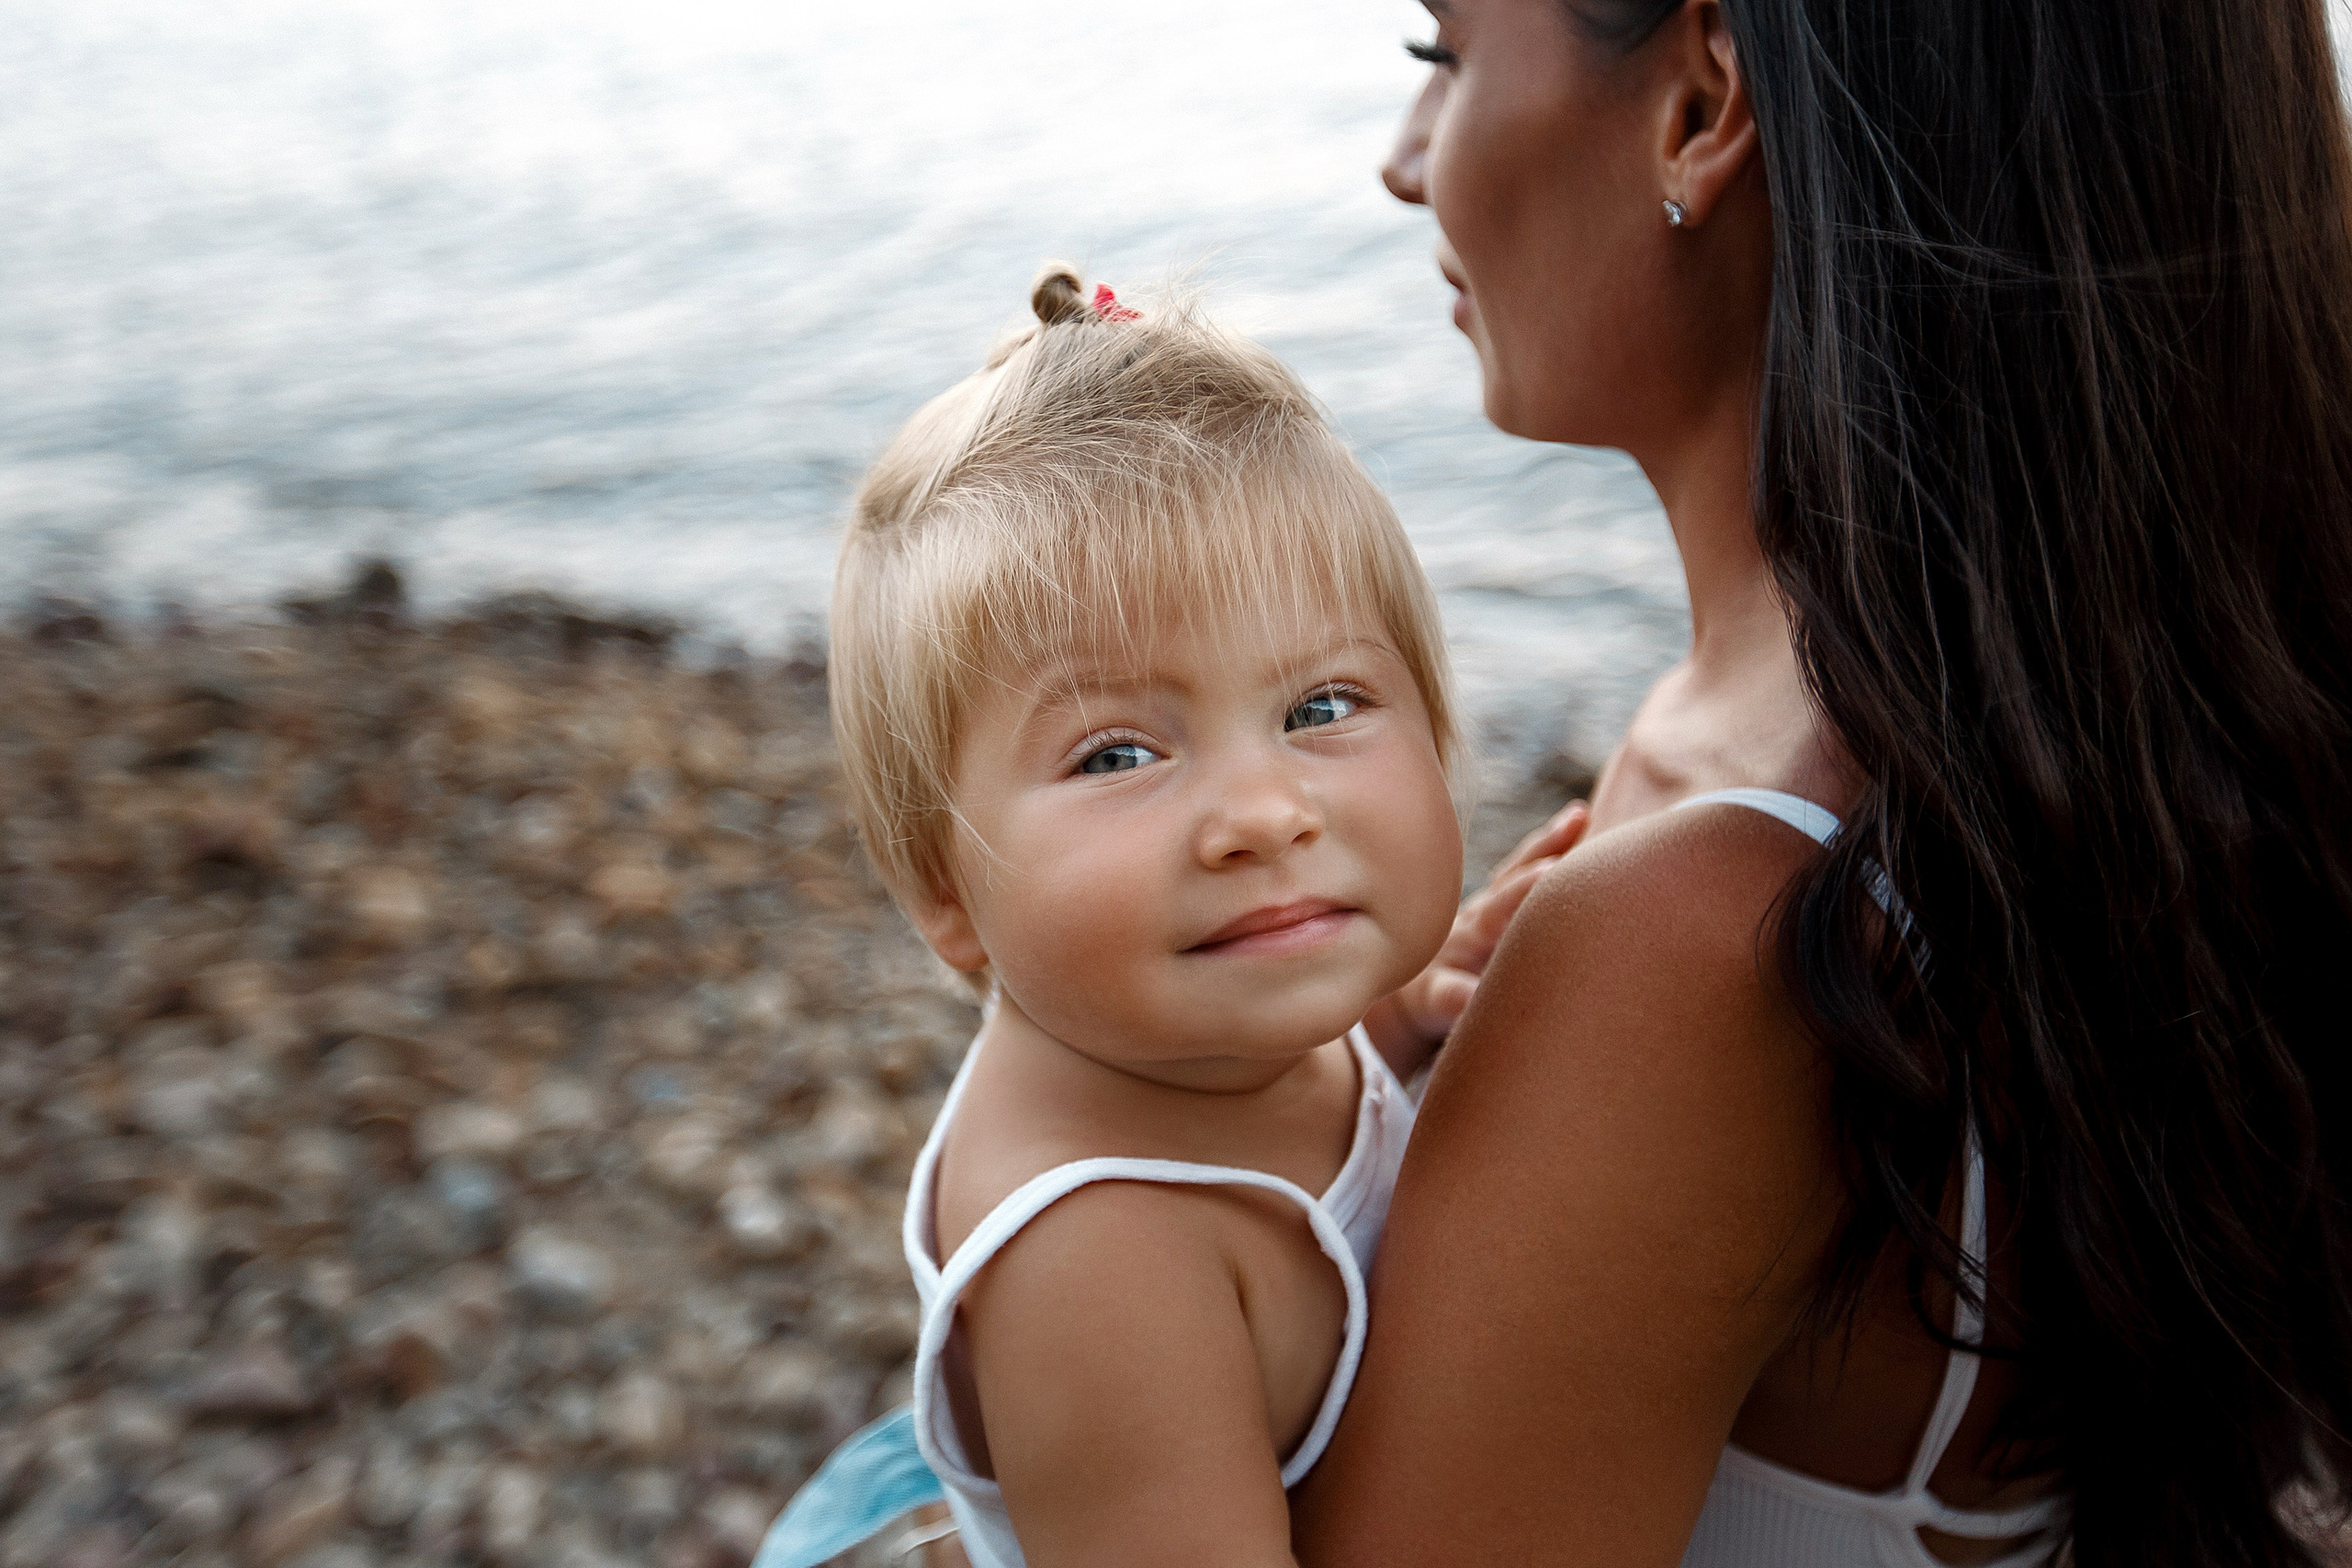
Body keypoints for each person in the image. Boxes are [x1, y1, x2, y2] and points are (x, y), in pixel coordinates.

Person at [1288, 1, 2352, 1565]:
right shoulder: (2125, 742)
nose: (1404, 164)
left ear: (1703, 104)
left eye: (1438, 56)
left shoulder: (1718, 932)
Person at [758, 265, 1555, 1568]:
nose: (1264, 811)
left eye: (1320, 708)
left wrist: (1401, 1015)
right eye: (1119, 756)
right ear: (946, 894)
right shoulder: (1105, 1259)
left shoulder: (1211, 1026)